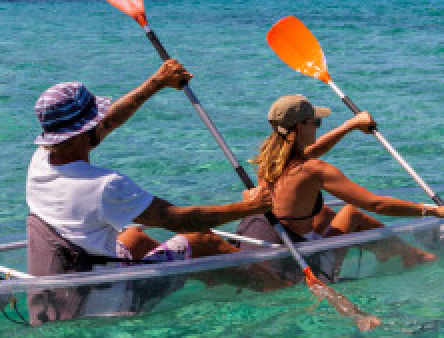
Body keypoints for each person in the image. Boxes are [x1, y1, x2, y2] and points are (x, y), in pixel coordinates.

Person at [25, 59, 277, 322]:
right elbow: (180, 220)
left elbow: (106, 124)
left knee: (135, 237)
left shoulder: (40, 162)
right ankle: (278, 288)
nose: (102, 123)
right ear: (84, 132)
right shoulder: (104, 186)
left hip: (66, 291)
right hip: (109, 301)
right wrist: (250, 207)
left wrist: (157, 82)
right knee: (202, 240)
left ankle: (211, 275)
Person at [236, 94, 444, 279]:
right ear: (301, 126)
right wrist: (432, 211)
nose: (317, 128)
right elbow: (376, 204)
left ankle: (389, 251)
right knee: (352, 213)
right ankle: (412, 256)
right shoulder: (314, 170)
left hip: (285, 248)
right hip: (304, 266)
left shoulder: (268, 162)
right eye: (316, 123)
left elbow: (312, 151)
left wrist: (350, 126)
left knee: (323, 212)